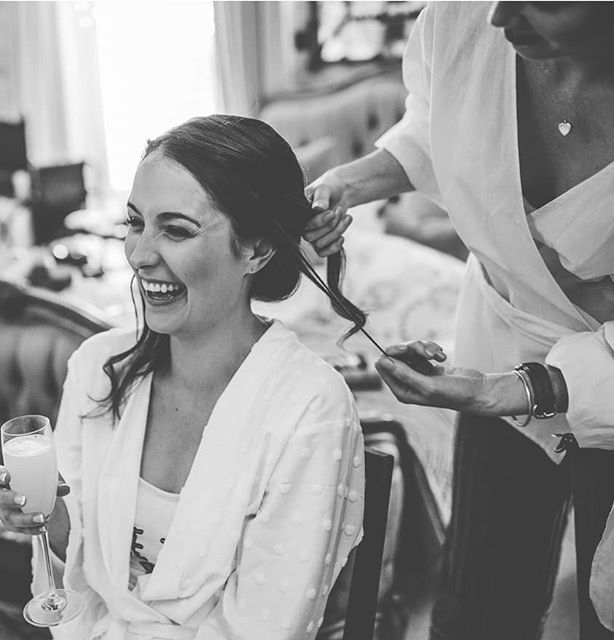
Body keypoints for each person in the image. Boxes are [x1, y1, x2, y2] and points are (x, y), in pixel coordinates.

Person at [304, 3, 614, 639]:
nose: (497, 18)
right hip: (497, 337)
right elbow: (438, 130)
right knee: (476, 605)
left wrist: (505, 389)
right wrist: (347, 183)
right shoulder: (461, 14)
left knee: (611, 613)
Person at [0, 114, 366, 640]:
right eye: (134, 222)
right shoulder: (99, 370)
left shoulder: (310, 409)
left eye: (176, 230)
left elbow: (263, 630)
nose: (140, 255)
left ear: (257, 250)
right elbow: (78, 566)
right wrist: (43, 514)